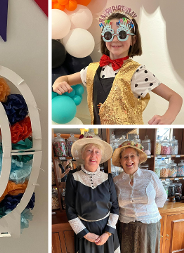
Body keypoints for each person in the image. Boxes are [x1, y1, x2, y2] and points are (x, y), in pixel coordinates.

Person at [52, 5, 182, 125]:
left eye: (122, 34)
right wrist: (59, 81)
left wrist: (167, 117)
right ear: (104, 38)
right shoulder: (91, 69)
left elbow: (175, 97)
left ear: (133, 40)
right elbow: (67, 78)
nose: (115, 39)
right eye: (109, 34)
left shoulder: (138, 72)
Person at [66, 135, 120, 252]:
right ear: (82, 154)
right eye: (89, 150)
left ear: (100, 157)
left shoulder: (108, 178)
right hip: (85, 232)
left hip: (106, 232)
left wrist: (107, 233)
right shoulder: (73, 177)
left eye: (97, 152)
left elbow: (115, 207)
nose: (93, 155)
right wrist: (86, 234)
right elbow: (70, 210)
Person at [112, 141, 167, 253]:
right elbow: (114, 204)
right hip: (125, 226)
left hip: (149, 225)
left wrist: (148, 210)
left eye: (132, 156)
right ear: (121, 161)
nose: (129, 160)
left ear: (138, 159)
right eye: (125, 157)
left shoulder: (150, 176)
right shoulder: (116, 181)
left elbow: (162, 196)